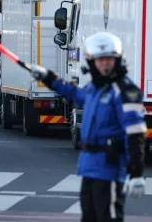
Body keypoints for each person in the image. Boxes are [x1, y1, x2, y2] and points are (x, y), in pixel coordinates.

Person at [31, 32, 146, 222]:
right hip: (89, 168)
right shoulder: (95, 88)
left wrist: (136, 173)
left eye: (109, 59)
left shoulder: (125, 91)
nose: (105, 64)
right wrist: (48, 78)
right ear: (92, 62)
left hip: (110, 170)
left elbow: (136, 133)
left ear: (117, 60)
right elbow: (74, 93)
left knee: (108, 219)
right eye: (100, 60)